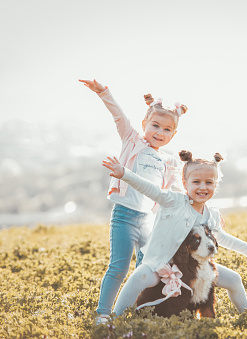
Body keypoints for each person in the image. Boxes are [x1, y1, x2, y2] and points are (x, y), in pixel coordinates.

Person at [102, 150, 247, 318]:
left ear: (215, 185)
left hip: (193, 268)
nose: (203, 187)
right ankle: (114, 317)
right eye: (196, 181)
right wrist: (125, 174)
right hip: (161, 263)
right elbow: (151, 189)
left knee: (234, 279)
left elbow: (221, 237)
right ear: (185, 182)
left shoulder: (211, 214)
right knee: (139, 277)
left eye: (209, 182)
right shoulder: (173, 201)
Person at [79, 79, 187, 325]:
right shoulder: (132, 140)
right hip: (124, 216)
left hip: (149, 221)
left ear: (174, 133)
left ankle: (139, 310)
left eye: (167, 129)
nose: (160, 133)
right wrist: (103, 92)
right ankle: (104, 313)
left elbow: (176, 192)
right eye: (155, 126)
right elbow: (118, 116)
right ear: (144, 124)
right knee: (118, 267)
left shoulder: (168, 162)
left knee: (145, 270)